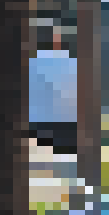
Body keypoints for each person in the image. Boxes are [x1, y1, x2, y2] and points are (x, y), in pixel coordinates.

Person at [28, 21, 78, 157]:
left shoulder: (34, 62)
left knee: (45, 157)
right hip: (60, 121)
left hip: (47, 121)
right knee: (64, 157)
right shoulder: (68, 61)